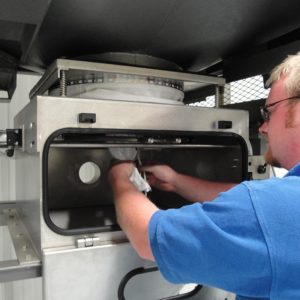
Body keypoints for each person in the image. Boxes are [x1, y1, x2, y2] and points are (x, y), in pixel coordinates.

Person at [108, 52, 300, 300]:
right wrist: (176, 181)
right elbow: (256, 207)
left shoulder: (272, 212)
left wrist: (119, 176)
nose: (262, 127)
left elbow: (147, 237)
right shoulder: (278, 206)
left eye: (270, 112)